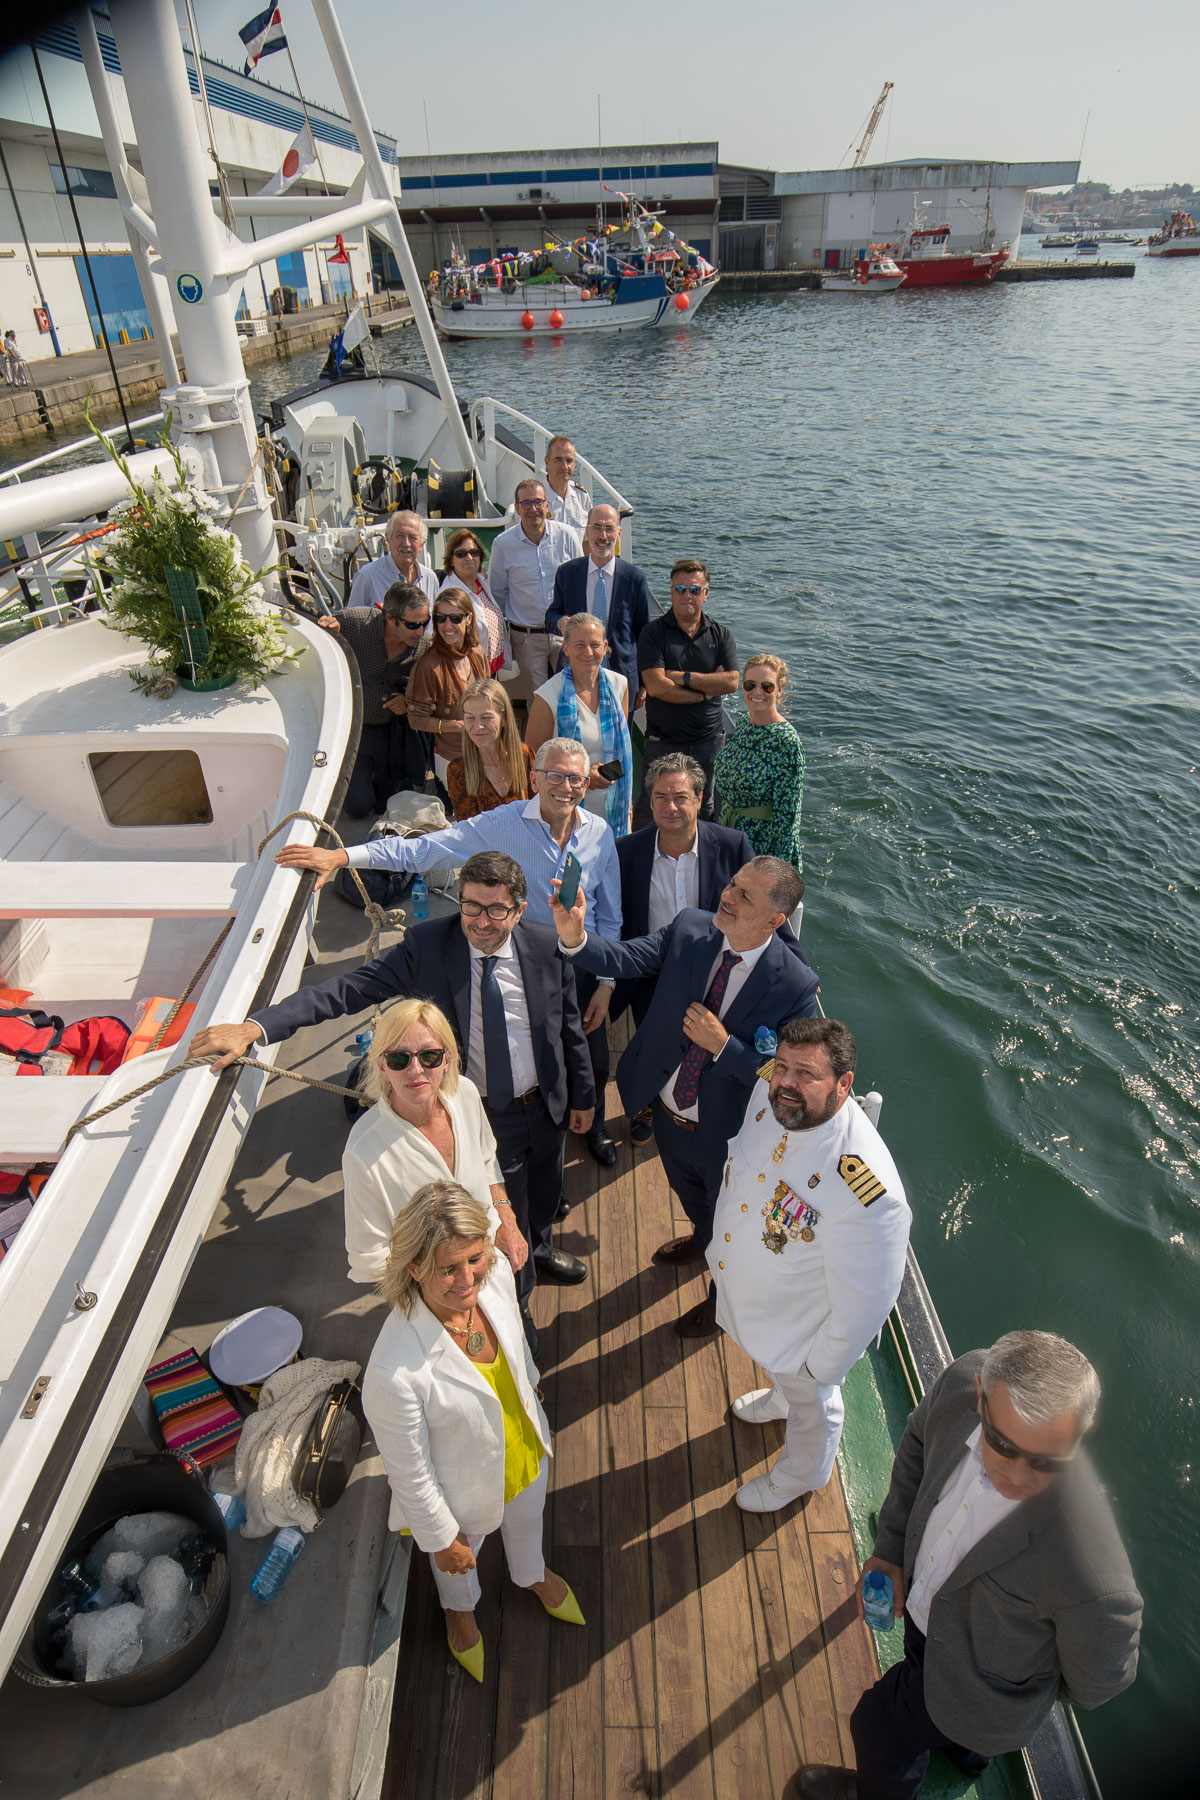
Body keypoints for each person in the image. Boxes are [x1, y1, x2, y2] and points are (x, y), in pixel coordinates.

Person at [189, 852, 596, 1317]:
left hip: (546, 1106)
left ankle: (539, 1252)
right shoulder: (426, 947)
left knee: (545, 1195)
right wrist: (256, 1028)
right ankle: (517, 1304)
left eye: (496, 910)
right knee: (501, 1213)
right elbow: (346, 990)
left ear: (519, 911)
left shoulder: (548, 946)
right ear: (458, 900)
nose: (481, 922)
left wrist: (582, 1097)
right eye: (470, 907)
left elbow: (567, 1028)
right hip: (479, 1112)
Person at [797, 1331, 1142, 1800]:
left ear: (1083, 1430)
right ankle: (966, 1753)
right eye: (1000, 1443)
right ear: (980, 1394)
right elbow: (918, 1441)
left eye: (1045, 1462)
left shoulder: (1095, 1574)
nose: (1016, 1477)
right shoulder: (959, 1382)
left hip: (980, 1694)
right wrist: (892, 1547)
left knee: (877, 1728)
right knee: (960, 1738)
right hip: (925, 1629)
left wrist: (1002, 1690)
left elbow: (1101, 1680)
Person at [270, 741, 621, 1167]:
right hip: (522, 964)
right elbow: (423, 851)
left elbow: (610, 913)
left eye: (576, 779)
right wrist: (343, 856)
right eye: (555, 775)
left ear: (587, 784)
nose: (565, 787)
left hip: (580, 962)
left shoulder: (600, 834)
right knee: (528, 1060)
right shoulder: (501, 824)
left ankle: (592, 1126)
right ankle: (523, 1154)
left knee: (591, 1060)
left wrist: (605, 983)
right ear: (534, 778)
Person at [552, 856, 820, 1335]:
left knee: (731, 1232)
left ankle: (721, 1306)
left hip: (728, 1139)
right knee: (695, 1202)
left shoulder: (795, 986)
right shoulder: (690, 928)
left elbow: (789, 1079)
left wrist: (724, 1047)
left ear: (776, 920)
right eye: (733, 885)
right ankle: (701, 1238)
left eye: (745, 896)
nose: (728, 896)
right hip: (667, 1117)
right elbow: (627, 959)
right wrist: (575, 937)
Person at [363, 1181, 584, 1685]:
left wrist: (531, 1390)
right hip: (461, 1498)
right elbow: (411, 1474)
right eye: (449, 1268)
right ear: (414, 1268)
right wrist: (441, 1538)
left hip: (527, 1453)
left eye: (475, 1259)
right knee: (458, 1568)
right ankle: (459, 1616)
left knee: (529, 1525)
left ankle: (532, 1574)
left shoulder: (497, 1276)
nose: (468, 1280)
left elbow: (519, 1346)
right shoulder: (391, 1371)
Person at [711, 1017, 910, 1513]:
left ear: (844, 1086)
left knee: (815, 1406)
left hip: (803, 1332)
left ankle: (802, 1474)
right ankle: (781, 1397)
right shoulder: (771, 1097)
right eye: (782, 1066)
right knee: (789, 1385)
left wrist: (820, 1367)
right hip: (758, 1302)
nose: (787, 1083)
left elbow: (867, 1304)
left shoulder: (865, 1186)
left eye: (806, 1073)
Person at [343, 997, 526, 1288]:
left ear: (447, 1061)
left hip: (495, 1268)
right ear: (382, 1068)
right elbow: (368, 1259)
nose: (416, 1070)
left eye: (429, 1056)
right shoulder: (363, 1150)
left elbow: (487, 1158)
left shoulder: (464, 1093)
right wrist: (448, 1283)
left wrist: (505, 1214)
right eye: (399, 1058)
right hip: (432, 1296)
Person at [636, 558, 739, 822]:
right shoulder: (653, 633)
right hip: (663, 741)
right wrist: (705, 691)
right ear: (671, 592)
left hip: (708, 742)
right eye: (679, 589)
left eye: (694, 590)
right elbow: (657, 686)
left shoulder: (721, 635)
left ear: (705, 594)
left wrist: (683, 677)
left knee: (702, 810)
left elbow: (731, 682)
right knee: (652, 808)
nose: (686, 595)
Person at [316, 582, 431, 815]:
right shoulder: (354, 623)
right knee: (359, 807)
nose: (420, 631)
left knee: (388, 803)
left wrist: (407, 702)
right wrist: (326, 629)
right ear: (390, 618)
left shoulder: (425, 646)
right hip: (353, 732)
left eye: (424, 623)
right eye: (412, 624)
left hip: (391, 733)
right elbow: (317, 631)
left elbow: (429, 689)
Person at [525, 612, 632, 836]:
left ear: (605, 647)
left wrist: (627, 800)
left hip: (614, 808)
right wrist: (583, 777)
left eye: (595, 645)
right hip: (566, 808)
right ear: (566, 648)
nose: (588, 652)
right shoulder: (547, 697)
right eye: (579, 645)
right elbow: (532, 763)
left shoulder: (620, 685)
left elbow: (621, 751)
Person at [487, 478, 582, 698]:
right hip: (527, 637)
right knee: (538, 699)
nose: (533, 509)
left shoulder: (567, 536)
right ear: (517, 509)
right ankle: (540, 734)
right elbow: (498, 592)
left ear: (547, 506)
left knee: (571, 695)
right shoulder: (502, 544)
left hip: (564, 634)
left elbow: (578, 583)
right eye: (526, 503)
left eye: (538, 502)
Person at [545, 503, 653, 692]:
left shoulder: (635, 578)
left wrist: (642, 684)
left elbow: (643, 633)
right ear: (587, 532)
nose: (603, 536)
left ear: (619, 534)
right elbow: (551, 616)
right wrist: (560, 622)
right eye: (597, 528)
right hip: (575, 672)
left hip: (620, 678)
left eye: (609, 529)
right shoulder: (567, 573)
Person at [713, 653, 805, 868]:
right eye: (750, 685)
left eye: (767, 686)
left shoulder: (787, 742)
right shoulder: (745, 723)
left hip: (759, 849)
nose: (757, 692)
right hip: (727, 834)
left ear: (780, 690)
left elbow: (788, 819)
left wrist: (773, 871)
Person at [404, 587, 489, 789]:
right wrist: (459, 725)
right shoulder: (428, 666)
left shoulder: (477, 654)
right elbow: (416, 720)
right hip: (452, 758)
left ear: (468, 619)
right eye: (440, 618)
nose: (446, 625)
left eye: (455, 618)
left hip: (485, 751)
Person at [446, 678, 533, 820]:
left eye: (486, 717)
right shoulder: (458, 770)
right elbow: (468, 831)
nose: (478, 726)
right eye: (470, 718)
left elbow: (539, 813)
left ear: (504, 719)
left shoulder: (526, 756)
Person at [439, 528, 509, 676]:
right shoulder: (449, 594)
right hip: (467, 672)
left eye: (474, 552)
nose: (469, 558)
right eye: (461, 554)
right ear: (451, 560)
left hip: (489, 668)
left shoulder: (481, 583)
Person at [347, 510, 440, 612]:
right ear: (388, 539)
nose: (406, 543)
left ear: (422, 544)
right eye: (400, 536)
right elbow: (352, 623)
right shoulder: (367, 577)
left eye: (412, 537)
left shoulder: (430, 578)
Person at [542, 434, 592, 530]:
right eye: (558, 460)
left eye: (569, 461)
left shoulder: (581, 496)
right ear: (547, 462)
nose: (564, 467)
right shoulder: (535, 499)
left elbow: (588, 539)